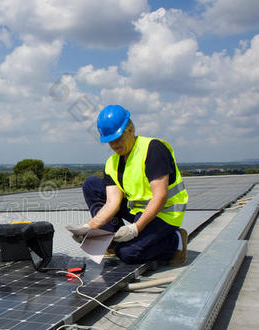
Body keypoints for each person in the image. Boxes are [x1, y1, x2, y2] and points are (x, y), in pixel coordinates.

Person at [80, 104, 188, 265]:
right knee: (92, 184)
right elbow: (112, 203)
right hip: (138, 211)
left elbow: (160, 196)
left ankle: (175, 241)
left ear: (130, 129)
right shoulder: (112, 163)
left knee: (128, 254)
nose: (115, 145)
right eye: (110, 141)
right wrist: (88, 227)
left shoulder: (152, 149)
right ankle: (111, 241)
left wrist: (135, 228)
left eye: (118, 139)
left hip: (165, 214)